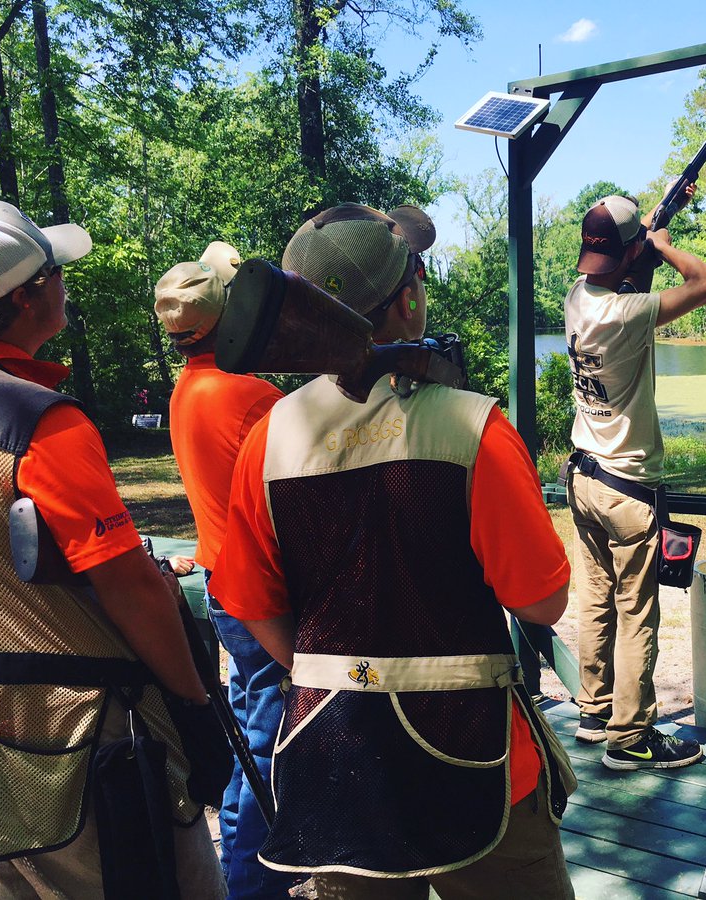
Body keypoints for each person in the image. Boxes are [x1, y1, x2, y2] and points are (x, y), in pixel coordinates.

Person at [210, 201, 577, 898]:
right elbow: (540, 600)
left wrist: (336, 674)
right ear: (409, 297)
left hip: (334, 757)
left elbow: (250, 604)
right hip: (480, 762)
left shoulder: (269, 439)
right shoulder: (473, 429)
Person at [0, 201, 224, 897]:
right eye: (55, 272)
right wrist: (194, 705)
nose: (65, 284)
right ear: (28, 296)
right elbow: (129, 586)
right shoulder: (38, 423)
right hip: (85, 732)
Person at [563, 192, 706, 770]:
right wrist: (661, 244)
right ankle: (630, 738)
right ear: (630, 254)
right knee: (637, 613)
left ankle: (593, 710)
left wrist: (638, 246)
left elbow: (617, 280)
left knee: (596, 600)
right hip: (628, 486)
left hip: (582, 477)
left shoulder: (579, 297)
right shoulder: (629, 313)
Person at [154, 246, 290, 899]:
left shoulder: (189, 388)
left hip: (223, 585)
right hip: (262, 594)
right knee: (264, 742)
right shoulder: (251, 397)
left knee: (250, 728)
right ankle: (251, 885)